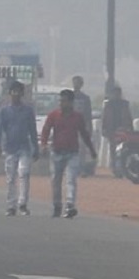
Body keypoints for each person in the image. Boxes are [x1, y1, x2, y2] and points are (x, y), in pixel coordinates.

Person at [40, 89, 96, 219]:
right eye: (60, 101)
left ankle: (70, 205)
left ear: (71, 102)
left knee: (71, 179)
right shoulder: (53, 115)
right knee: (56, 181)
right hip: (56, 152)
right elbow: (46, 130)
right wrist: (43, 145)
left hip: (72, 153)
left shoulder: (77, 117)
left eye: (63, 101)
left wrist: (91, 150)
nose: (61, 103)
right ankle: (57, 205)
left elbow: (84, 134)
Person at [0, 80, 39, 216]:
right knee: (10, 178)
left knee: (24, 173)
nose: (16, 95)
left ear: (22, 94)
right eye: (13, 92)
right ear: (10, 94)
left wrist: (35, 148)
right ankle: (11, 205)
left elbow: (32, 130)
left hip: (24, 147)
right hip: (10, 148)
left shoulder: (28, 111)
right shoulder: (4, 111)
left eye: (18, 92)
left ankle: (23, 203)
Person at [100, 84, 133, 173]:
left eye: (118, 93)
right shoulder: (108, 104)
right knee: (113, 147)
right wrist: (103, 128)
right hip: (111, 129)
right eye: (115, 93)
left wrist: (130, 128)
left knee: (124, 147)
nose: (116, 95)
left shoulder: (124, 104)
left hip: (123, 128)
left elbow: (129, 116)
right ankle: (114, 165)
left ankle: (122, 165)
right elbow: (105, 117)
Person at [70, 75, 96, 174]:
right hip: (70, 125)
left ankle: (81, 167)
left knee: (81, 147)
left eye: (78, 83)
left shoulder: (85, 98)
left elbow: (88, 114)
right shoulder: (69, 96)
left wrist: (89, 126)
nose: (76, 85)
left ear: (81, 85)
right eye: (74, 82)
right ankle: (72, 167)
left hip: (81, 125)